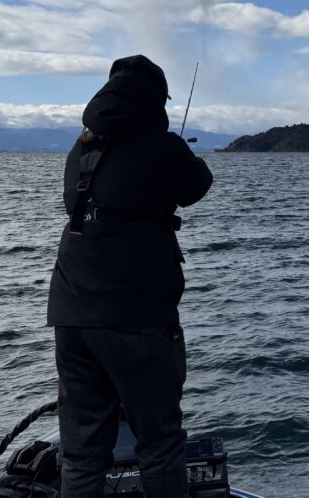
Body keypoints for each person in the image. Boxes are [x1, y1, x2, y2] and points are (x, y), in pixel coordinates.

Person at [46, 55, 213, 497]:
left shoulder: (80, 151)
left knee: (81, 454)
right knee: (159, 444)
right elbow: (198, 184)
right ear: (155, 100)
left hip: (71, 314)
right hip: (137, 316)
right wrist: (176, 152)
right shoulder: (163, 148)